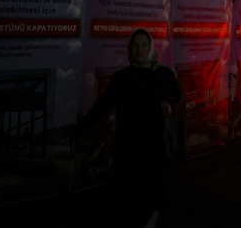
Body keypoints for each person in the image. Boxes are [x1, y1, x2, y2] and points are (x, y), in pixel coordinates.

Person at [70, 29, 182, 228]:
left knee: (151, 197)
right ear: (130, 49)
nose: (140, 50)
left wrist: (158, 71)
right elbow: (102, 107)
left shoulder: (160, 73)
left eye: (144, 45)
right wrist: (79, 131)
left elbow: (174, 96)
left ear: (151, 48)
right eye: (136, 45)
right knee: (126, 200)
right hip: (127, 148)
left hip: (152, 148)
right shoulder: (121, 78)